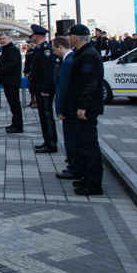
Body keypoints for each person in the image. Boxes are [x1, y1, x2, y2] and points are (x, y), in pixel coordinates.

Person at [65, 25, 105, 196]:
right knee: (83, 144)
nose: (68, 38)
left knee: (89, 146)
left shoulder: (87, 55)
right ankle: (87, 178)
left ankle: (94, 184)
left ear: (75, 38)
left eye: (69, 36)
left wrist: (82, 107)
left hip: (86, 109)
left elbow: (90, 84)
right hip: (82, 106)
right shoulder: (85, 53)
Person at [53, 36, 81, 180]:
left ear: (60, 47)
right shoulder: (70, 60)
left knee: (71, 139)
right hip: (70, 108)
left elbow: (65, 89)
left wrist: (61, 109)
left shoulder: (69, 62)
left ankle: (74, 167)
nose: (54, 52)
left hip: (69, 109)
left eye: (54, 49)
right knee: (71, 138)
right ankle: (74, 164)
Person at [28, 25, 58, 153]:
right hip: (39, 87)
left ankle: (51, 144)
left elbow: (48, 71)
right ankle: (47, 141)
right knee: (43, 116)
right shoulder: (39, 48)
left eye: (33, 36)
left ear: (36, 36)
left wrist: (45, 89)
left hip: (44, 89)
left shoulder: (46, 50)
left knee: (46, 116)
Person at [0, 32, 23, 133]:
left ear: (9, 38)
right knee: (12, 104)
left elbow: (11, 65)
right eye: (0, 39)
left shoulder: (12, 49)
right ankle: (15, 123)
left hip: (11, 81)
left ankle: (18, 126)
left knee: (14, 103)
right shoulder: (7, 49)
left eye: (4, 38)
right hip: (8, 81)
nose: (2, 41)